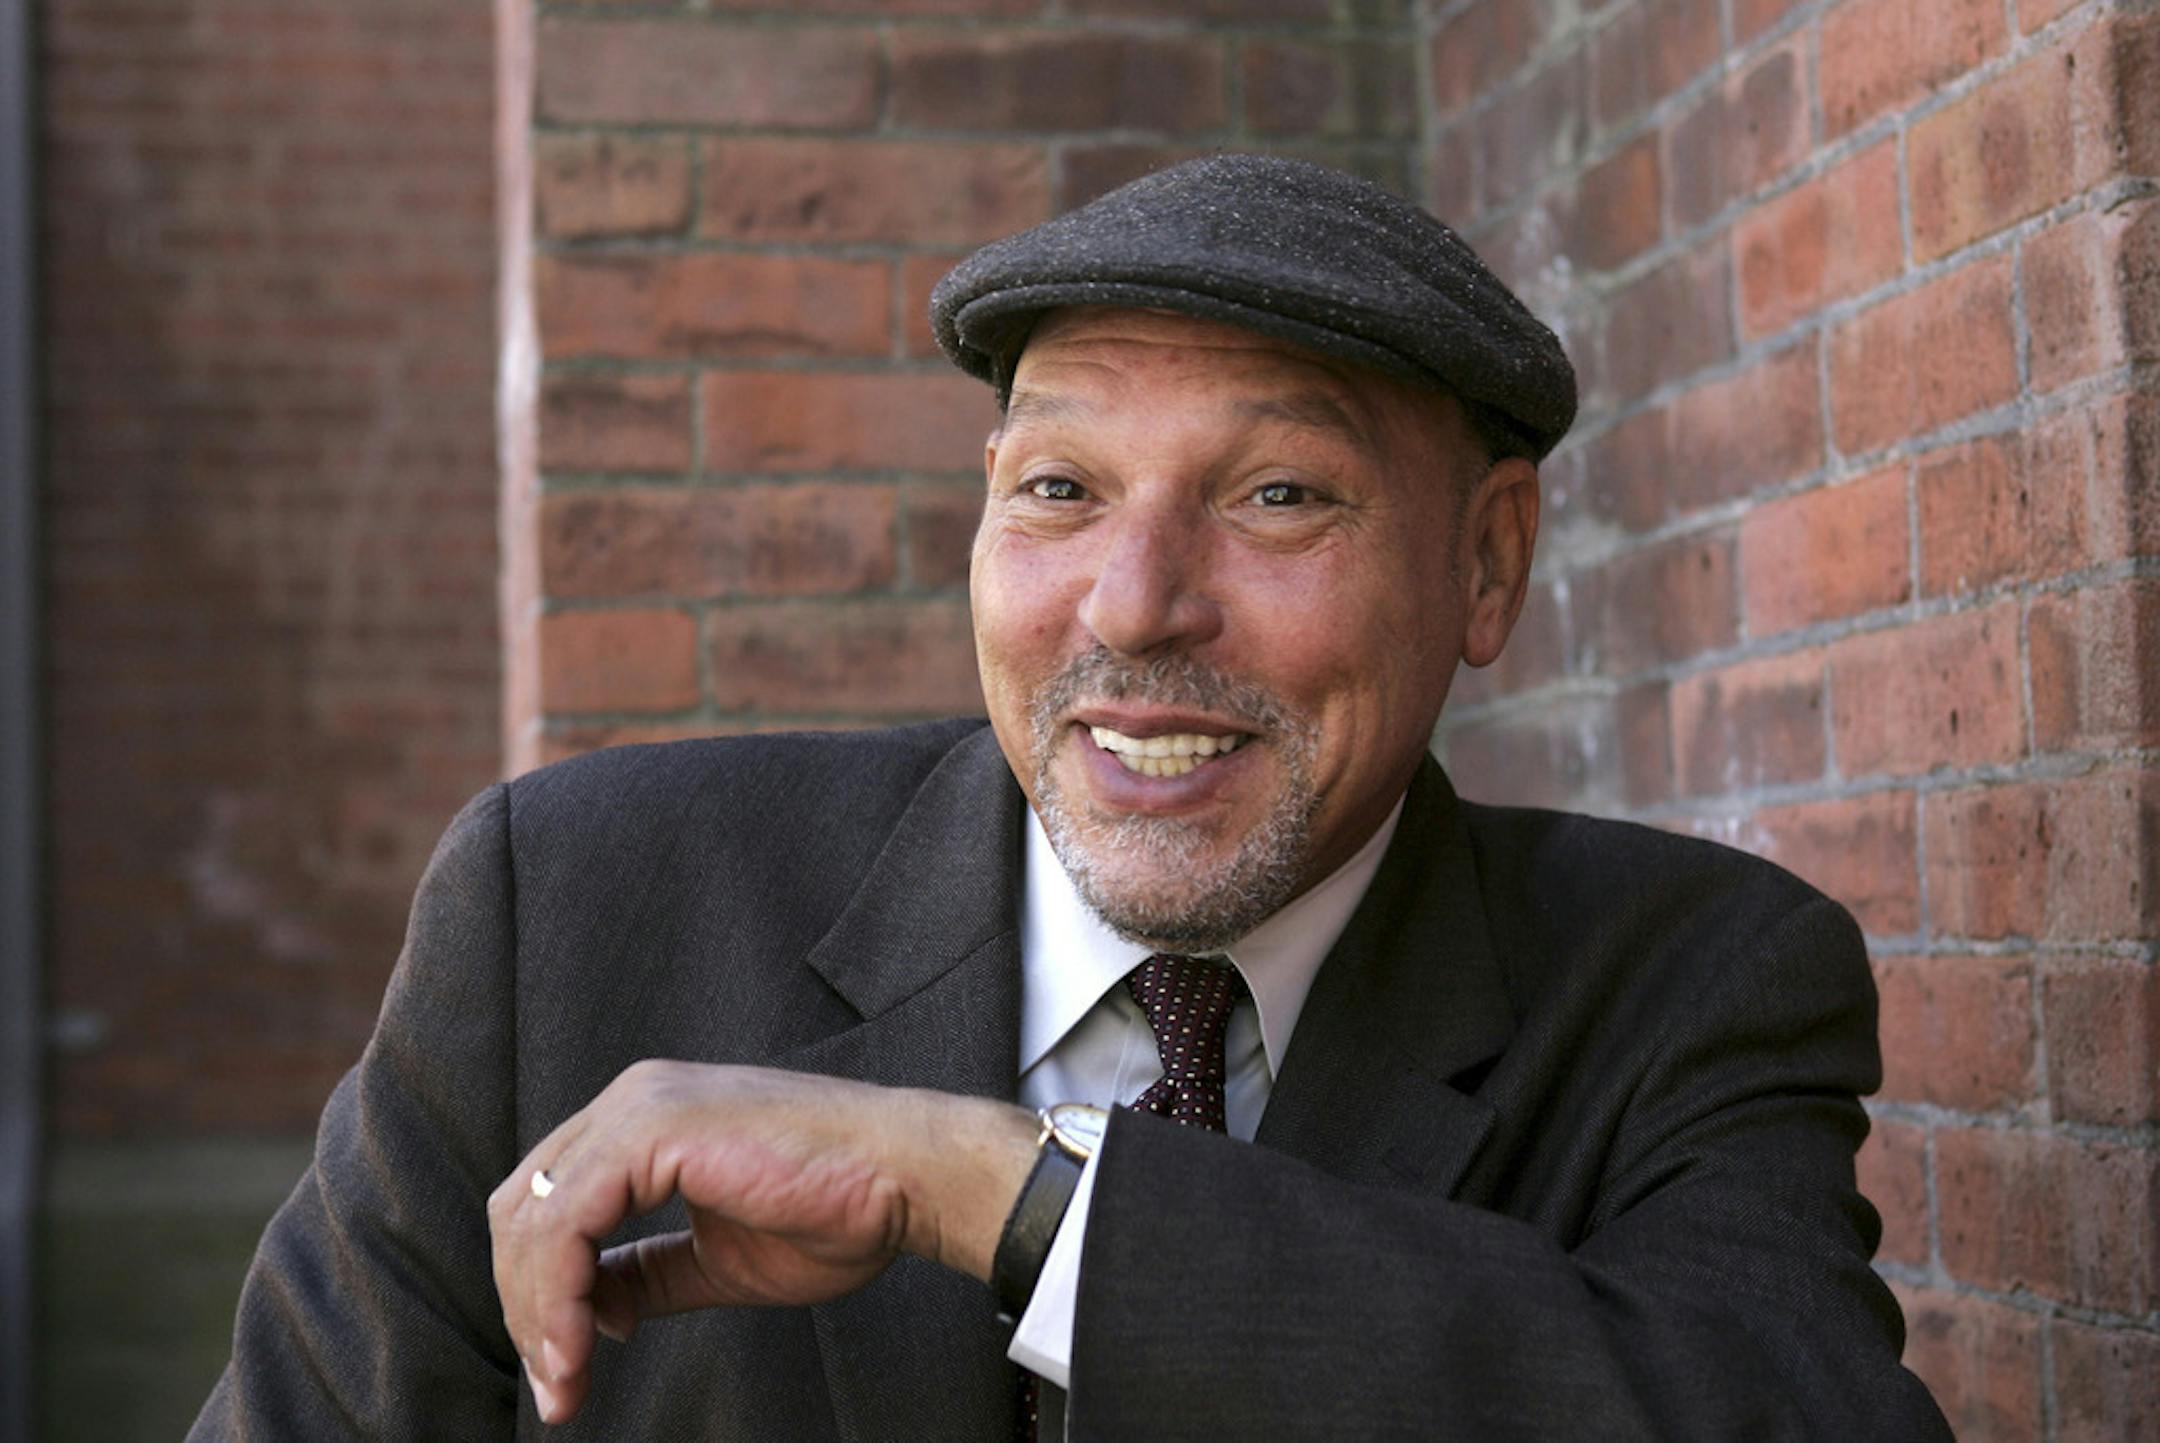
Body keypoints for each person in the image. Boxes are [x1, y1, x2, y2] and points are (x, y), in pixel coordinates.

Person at [193, 154, 1951, 1440]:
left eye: (1276, 496)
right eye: (1059, 489)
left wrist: (1012, 1202)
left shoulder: (1685, 985)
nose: (1132, 605)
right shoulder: (566, 913)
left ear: (1488, 563)